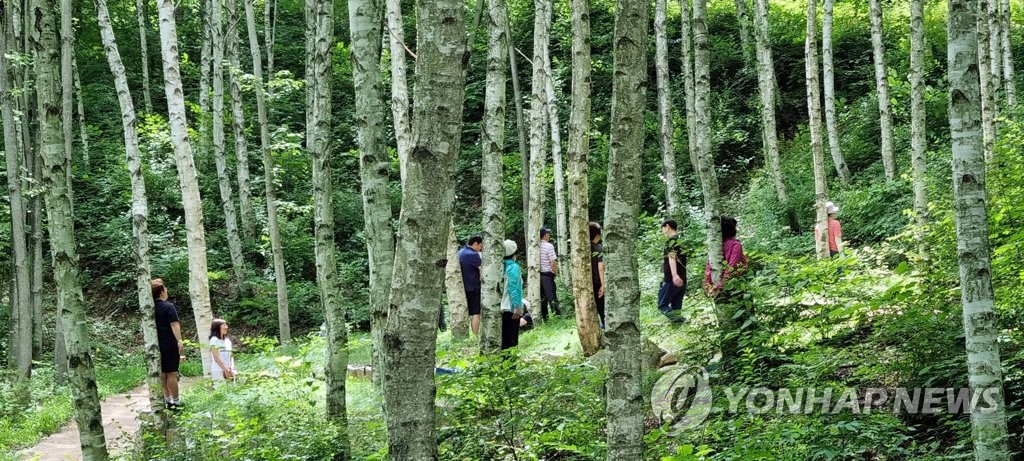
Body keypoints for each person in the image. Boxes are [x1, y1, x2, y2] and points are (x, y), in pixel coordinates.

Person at [153, 278, 184, 409]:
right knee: (171, 373)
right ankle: (176, 402)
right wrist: (179, 340)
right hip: (169, 344)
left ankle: (168, 400)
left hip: (155, 344)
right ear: (161, 292)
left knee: (162, 374)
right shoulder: (168, 306)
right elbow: (174, 324)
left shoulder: (150, 308)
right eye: (165, 289)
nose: (166, 291)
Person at [704, 217, 748, 296]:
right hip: (735, 284)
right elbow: (732, 267)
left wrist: (708, 285)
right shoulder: (735, 245)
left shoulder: (715, 245)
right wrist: (720, 286)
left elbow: (708, 267)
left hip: (717, 285)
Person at [657, 220, 688, 323]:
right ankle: (678, 329)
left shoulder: (671, 241)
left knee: (662, 305)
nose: (662, 231)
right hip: (682, 278)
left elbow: (672, 257)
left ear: (667, 226)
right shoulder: (681, 242)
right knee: (676, 307)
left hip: (672, 279)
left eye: (662, 228)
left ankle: (681, 321)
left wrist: (674, 275)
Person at [458, 235, 484, 335]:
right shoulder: (473, 255)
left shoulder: (460, 252)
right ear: (475, 244)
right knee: (476, 313)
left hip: (463, 287)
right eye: (480, 245)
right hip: (474, 287)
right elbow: (482, 269)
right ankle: (475, 335)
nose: (480, 248)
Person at [501, 239, 523, 349]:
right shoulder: (514, 267)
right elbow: (513, 287)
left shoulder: (499, 266)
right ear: (514, 253)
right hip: (510, 307)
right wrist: (516, 306)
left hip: (500, 307)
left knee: (504, 338)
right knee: (512, 339)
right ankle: (511, 364)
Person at [539, 227, 560, 320]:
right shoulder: (549, 246)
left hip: (539, 275)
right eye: (548, 233)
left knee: (542, 298)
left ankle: (545, 318)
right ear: (544, 235)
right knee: (552, 296)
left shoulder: (536, 246)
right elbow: (553, 262)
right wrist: (555, 273)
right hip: (547, 274)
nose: (549, 235)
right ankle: (557, 316)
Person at [589, 222, 606, 329]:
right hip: (597, 282)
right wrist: (603, 285)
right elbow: (601, 268)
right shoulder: (599, 248)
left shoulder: (584, 249)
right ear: (597, 235)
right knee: (602, 308)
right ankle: (605, 326)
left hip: (587, 283)